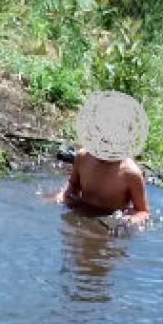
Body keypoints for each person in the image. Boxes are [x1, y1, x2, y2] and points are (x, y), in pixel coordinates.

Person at [56, 91, 150, 227]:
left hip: (109, 224)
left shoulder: (130, 174)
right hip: (82, 212)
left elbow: (143, 211)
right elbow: (73, 184)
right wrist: (63, 196)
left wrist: (127, 222)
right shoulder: (83, 157)